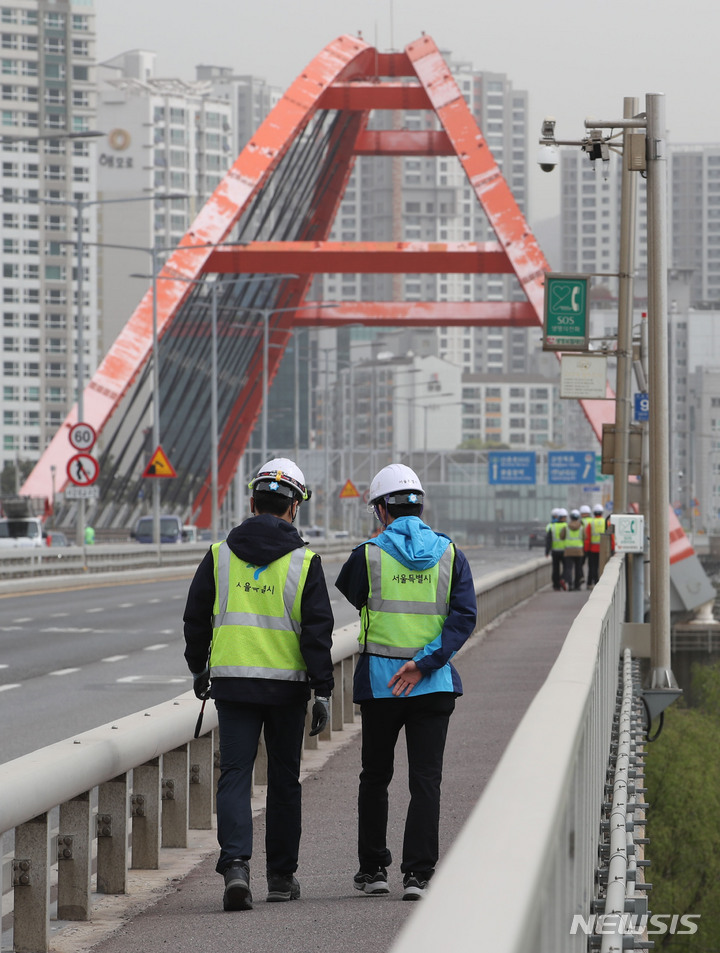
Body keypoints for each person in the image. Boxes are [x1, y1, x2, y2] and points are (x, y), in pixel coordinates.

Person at [183, 458, 334, 912]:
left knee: (235, 776)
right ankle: (282, 879)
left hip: (232, 686)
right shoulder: (305, 561)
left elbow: (195, 619)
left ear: (252, 503)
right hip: (287, 690)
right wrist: (323, 689)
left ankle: (234, 867)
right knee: (285, 781)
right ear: (294, 509)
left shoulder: (219, 554)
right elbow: (317, 633)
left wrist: (198, 668)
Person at [335, 464, 477, 901]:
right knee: (425, 781)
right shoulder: (450, 554)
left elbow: (353, 594)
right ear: (420, 505)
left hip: (381, 686)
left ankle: (373, 870)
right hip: (432, 686)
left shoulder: (368, 555)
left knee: (375, 777)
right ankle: (418, 875)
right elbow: (464, 617)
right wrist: (426, 661)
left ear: (381, 510)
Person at [561, 508, 585, 590]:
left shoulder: (566, 527)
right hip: (579, 551)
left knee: (568, 568)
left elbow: (562, 537)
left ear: (570, 518)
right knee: (578, 568)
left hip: (568, 551)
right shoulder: (581, 527)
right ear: (578, 517)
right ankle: (577, 586)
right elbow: (585, 537)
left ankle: (570, 585)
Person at [585, 503, 607, 588]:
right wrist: (612, 548)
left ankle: (592, 582)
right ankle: (600, 582)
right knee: (602, 567)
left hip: (592, 549)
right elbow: (611, 537)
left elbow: (588, 538)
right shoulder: (606, 522)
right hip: (604, 549)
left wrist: (586, 550)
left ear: (594, 513)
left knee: (592, 567)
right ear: (602, 512)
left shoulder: (591, 523)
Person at [546, 507, 567, 590]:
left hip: (555, 550)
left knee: (555, 569)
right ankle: (562, 579)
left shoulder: (551, 526)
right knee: (567, 567)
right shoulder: (566, 525)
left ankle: (556, 585)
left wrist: (547, 551)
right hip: (565, 550)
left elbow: (548, 539)